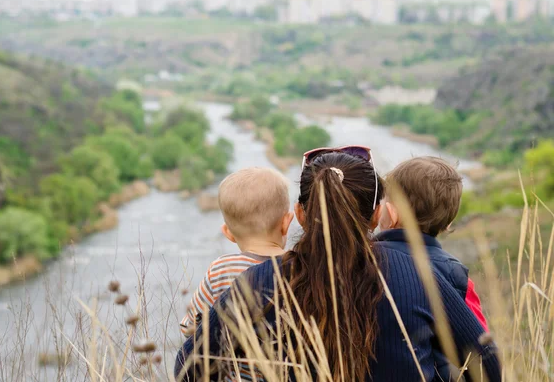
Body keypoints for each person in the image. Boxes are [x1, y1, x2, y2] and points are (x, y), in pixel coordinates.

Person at [175, 148, 501, 382]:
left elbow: (190, 367)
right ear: (376, 216)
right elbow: (486, 361)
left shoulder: (258, 283)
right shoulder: (419, 274)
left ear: (299, 214)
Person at [376, 156, 490, 380]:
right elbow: (479, 339)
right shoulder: (455, 275)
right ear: (448, 223)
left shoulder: (367, 259)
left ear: (392, 213)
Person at [179, 167, 293, 337]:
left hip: (230, 363)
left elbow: (189, 327)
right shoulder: (300, 265)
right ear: (286, 223)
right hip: (293, 362)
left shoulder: (221, 270)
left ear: (228, 233)